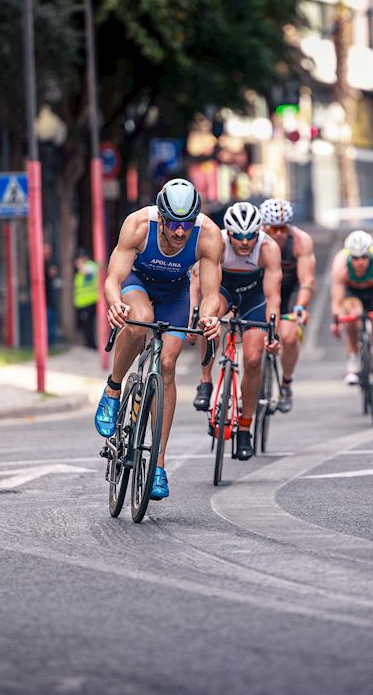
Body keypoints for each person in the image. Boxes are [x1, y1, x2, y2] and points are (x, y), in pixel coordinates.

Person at [96, 179, 223, 501]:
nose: (180, 232)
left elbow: (210, 295)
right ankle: (113, 388)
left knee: (168, 363)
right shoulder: (138, 225)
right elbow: (113, 278)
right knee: (140, 323)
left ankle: (158, 465)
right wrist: (115, 304)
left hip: (176, 292)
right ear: (161, 217)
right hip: (138, 283)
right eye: (173, 223)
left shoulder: (208, 235)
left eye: (187, 224)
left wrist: (209, 317)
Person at [190, 202, 281, 462]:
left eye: (250, 236)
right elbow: (199, 283)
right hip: (223, 289)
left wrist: (272, 332)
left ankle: (244, 428)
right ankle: (205, 380)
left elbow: (273, 295)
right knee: (209, 320)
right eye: (237, 236)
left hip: (254, 298)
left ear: (259, 232)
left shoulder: (268, 248)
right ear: (227, 233)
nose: (243, 242)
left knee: (253, 359)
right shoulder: (216, 242)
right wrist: (195, 315)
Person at [329, 229, 373, 411]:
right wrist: (336, 320)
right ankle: (353, 357)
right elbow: (336, 299)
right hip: (353, 295)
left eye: (363, 257)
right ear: (349, 256)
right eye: (355, 258)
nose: (360, 262)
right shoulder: (340, 266)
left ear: (370, 254)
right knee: (352, 315)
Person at [259, 198, 315, 414]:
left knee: (290, 336)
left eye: (283, 228)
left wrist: (301, 307)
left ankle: (286, 384)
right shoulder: (257, 241)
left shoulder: (301, 241)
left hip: (290, 290)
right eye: (274, 228)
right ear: (264, 227)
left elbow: (307, 280)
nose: (279, 234)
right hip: (264, 288)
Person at [72, 249, 100, 349]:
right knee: (85, 325)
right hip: (82, 303)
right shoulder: (81, 269)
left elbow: (89, 273)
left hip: (89, 301)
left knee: (89, 325)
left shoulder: (90, 265)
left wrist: (80, 265)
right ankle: (88, 343)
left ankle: (91, 344)